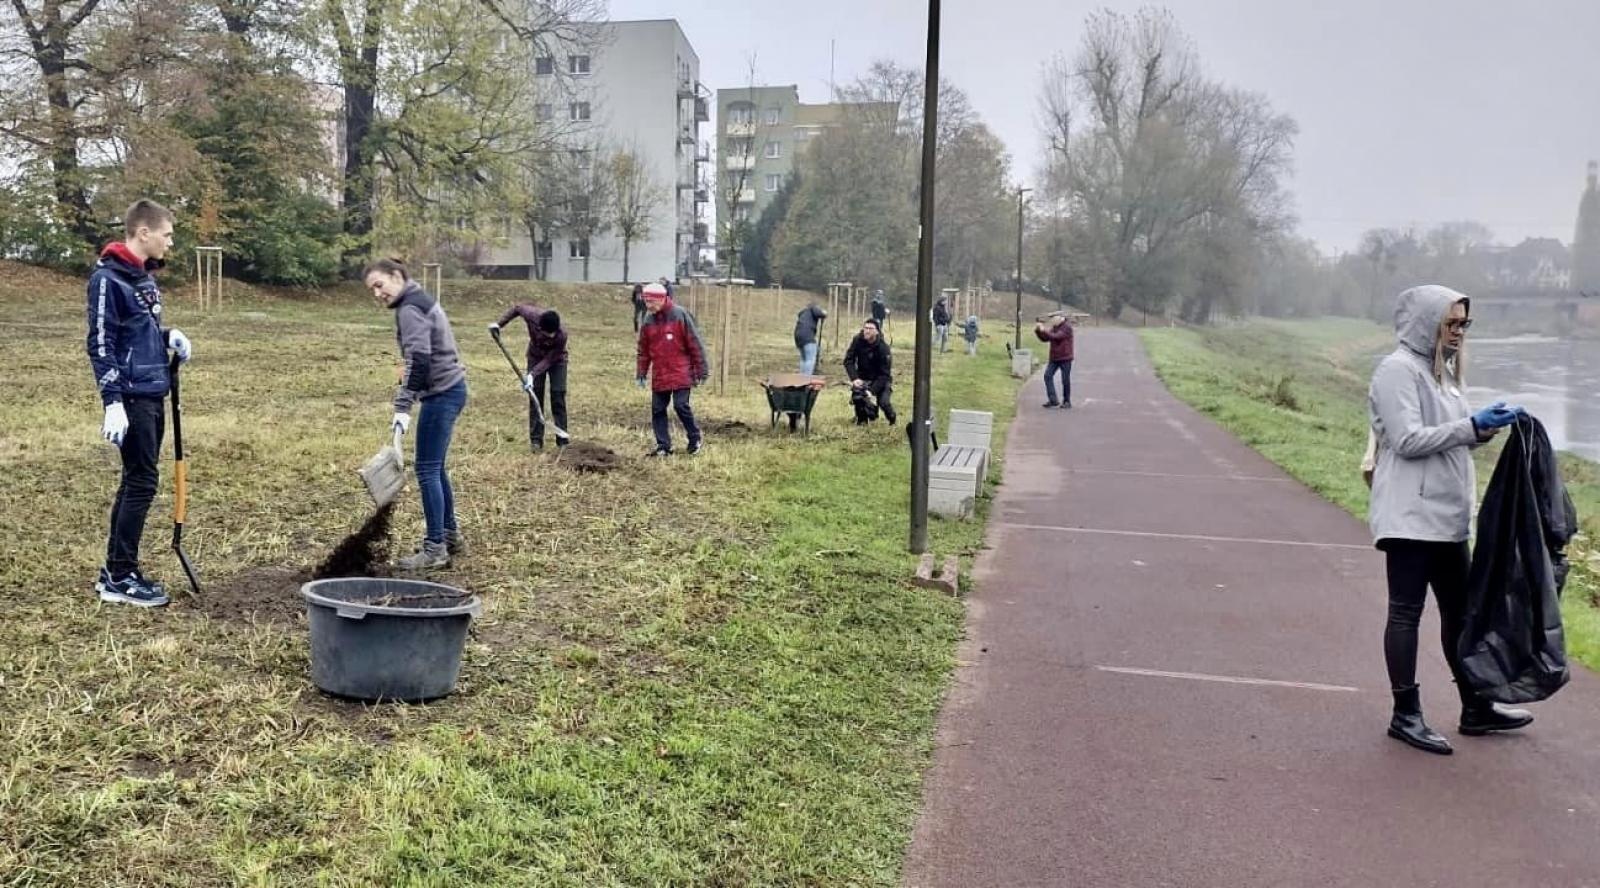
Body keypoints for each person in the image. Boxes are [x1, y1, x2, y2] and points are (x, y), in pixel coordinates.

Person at [1367, 284, 1531, 755]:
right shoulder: (1397, 371)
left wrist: (1486, 429)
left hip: (1446, 516)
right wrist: (1470, 426)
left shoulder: (1443, 372)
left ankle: (1475, 706)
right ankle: (1405, 713)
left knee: (1462, 614)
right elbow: (1408, 440)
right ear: (1427, 321)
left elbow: (1451, 436)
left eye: (1464, 324)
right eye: (1451, 323)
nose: (1459, 332)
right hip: (1410, 516)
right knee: (1406, 613)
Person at [87, 199, 192, 607]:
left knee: (137, 480)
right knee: (142, 481)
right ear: (142, 233)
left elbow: (138, 330)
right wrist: (111, 400)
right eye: (166, 234)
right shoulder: (107, 280)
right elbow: (101, 343)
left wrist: (166, 337)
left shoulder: (144, 278)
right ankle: (121, 575)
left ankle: (114, 569)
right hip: (130, 396)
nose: (170, 242)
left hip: (153, 388)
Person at [365, 257, 468, 570]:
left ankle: (435, 548)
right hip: (451, 389)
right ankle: (450, 535)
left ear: (397, 277)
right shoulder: (417, 299)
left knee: (426, 469)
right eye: (371, 290)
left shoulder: (410, 308)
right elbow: (421, 356)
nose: (377, 293)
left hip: (441, 395)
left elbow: (420, 360)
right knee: (435, 468)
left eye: (379, 285)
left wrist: (402, 406)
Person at [636, 282, 708, 456]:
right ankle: (663, 446)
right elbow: (643, 350)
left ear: (661, 299)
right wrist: (641, 373)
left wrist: (701, 369)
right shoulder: (648, 320)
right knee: (657, 409)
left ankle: (695, 437)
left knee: (681, 405)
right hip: (660, 373)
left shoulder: (679, 315)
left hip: (681, 371)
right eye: (646, 302)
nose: (648, 305)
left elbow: (694, 343)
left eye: (651, 302)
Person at [488, 303, 569, 451]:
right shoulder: (532, 315)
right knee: (535, 395)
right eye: (547, 334)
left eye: (552, 335)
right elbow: (517, 308)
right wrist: (499, 324)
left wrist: (532, 374)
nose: (550, 337)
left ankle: (562, 441)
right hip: (535, 356)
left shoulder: (562, 335)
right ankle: (536, 441)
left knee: (558, 394)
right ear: (539, 327)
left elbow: (550, 359)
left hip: (557, 361)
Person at [843, 318, 896, 426]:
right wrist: (854, 378)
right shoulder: (858, 340)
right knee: (858, 396)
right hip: (863, 377)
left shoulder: (883, 348)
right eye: (865, 328)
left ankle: (892, 418)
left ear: (877, 331)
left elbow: (885, 374)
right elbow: (848, 360)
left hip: (881, 379)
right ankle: (862, 421)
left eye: (870, 329)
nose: (867, 331)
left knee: (884, 403)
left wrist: (871, 391)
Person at [1035, 314, 1076, 408]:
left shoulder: (1067, 327)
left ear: (1061, 318)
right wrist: (1038, 331)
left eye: (1054, 318)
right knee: (1047, 376)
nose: (1052, 321)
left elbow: (1056, 337)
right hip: (1054, 357)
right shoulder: (1055, 327)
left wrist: (1043, 330)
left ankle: (1067, 401)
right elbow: (1045, 338)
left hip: (1065, 357)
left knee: (1065, 379)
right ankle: (1053, 399)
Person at [794, 301, 827, 375]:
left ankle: (802, 377)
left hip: (798, 336)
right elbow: (820, 313)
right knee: (810, 359)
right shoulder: (813, 308)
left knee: (804, 358)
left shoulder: (803, 314)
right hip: (807, 336)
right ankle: (806, 378)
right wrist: (824, 313)